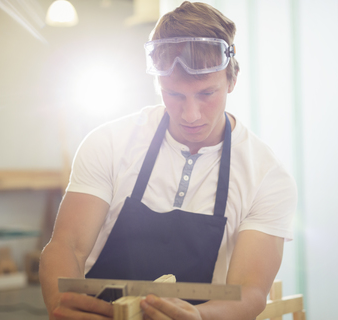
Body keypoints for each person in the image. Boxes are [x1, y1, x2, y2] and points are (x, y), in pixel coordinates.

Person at [39, 2, 297, 319]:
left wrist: (200, 317)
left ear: (232, 79)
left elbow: (250, 292)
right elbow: (67, 245)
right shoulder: (108, 143)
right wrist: (59, 301)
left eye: (206, 93)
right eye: (174, 94)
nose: (190, 115)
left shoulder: (267, 177)